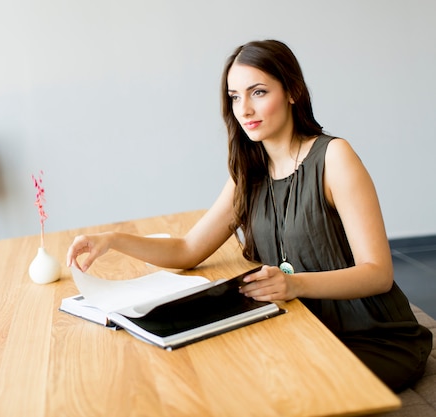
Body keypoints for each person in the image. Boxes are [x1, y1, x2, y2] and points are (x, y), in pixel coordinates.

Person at [66, 39, 432, 392]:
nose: (244, 109)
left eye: (258, 92)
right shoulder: (248, 171)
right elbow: (187, 250)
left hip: (371, 334)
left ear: (293, 92)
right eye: (235, 97)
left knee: (274, 389)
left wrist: (296, 285)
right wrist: (112, 240)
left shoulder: (335, 158)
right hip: (301, 325)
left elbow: (379, 273)